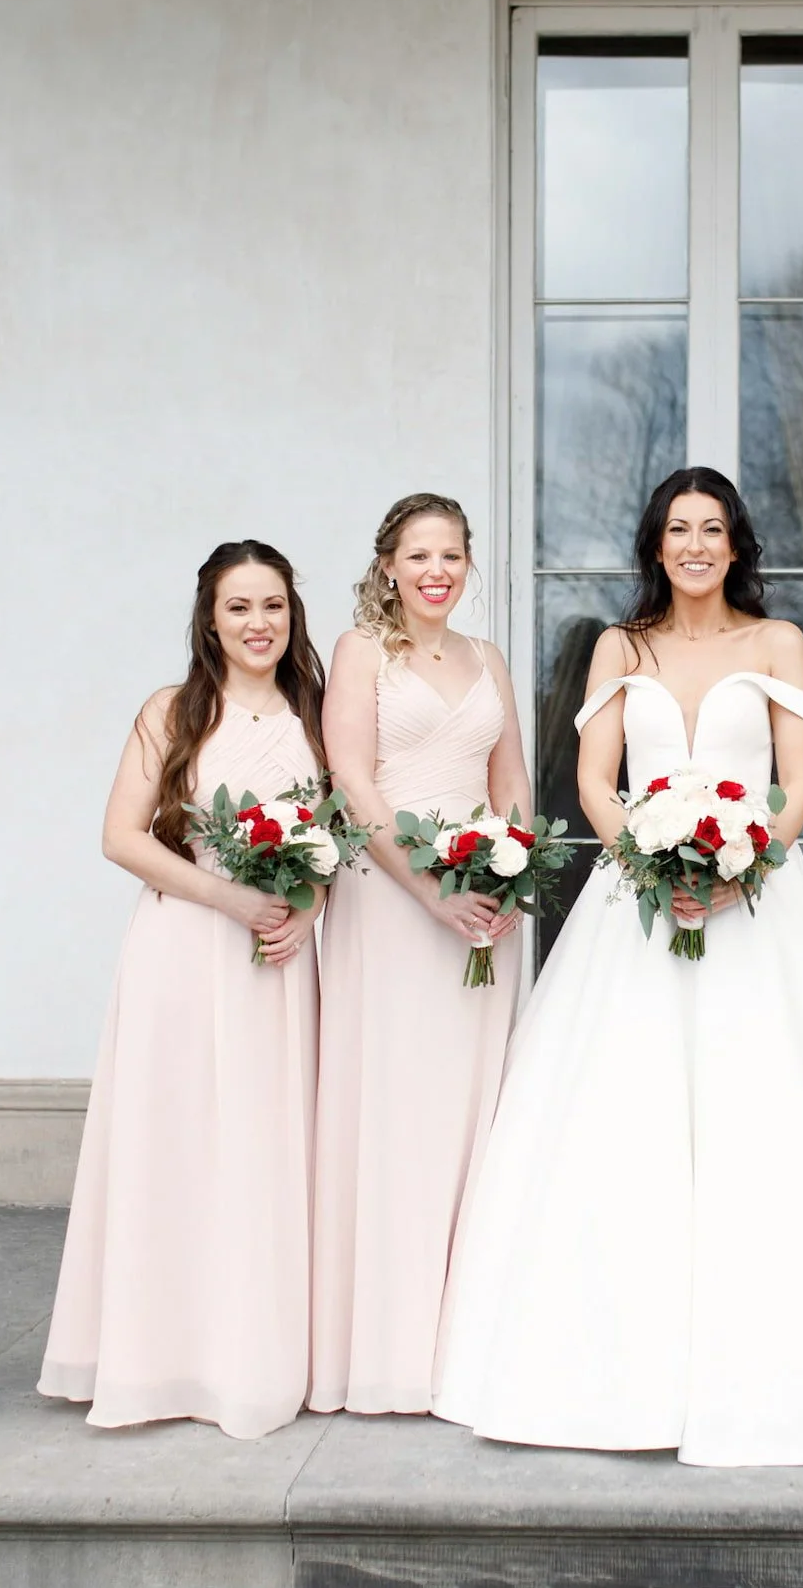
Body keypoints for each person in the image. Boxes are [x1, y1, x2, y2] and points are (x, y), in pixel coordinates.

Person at [433, 468, 803, 1466]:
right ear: (655, 542)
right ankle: (603, 1369)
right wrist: (647, 853)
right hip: (634, 907)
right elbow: (596, 779)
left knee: (766, 1111)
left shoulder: (775, 642)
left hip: (754, 903)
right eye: (679, 528)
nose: (696, 544)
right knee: (619, 1113)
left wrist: (749, 857)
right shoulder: (618, 644)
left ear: (737, 546)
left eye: (714, 529)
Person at [40, 540, 328, 1438]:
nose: (258, 623)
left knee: (262, 1148)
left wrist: (306, 907)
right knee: (175, 1145)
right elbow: (122, 836)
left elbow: (338, 835)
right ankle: (155, 1357)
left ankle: (250, 1354)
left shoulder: (316, 714)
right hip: (181, 951)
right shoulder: (172, 711)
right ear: (209, 617)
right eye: (240, 606)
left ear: (293, 613)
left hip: (275, 967)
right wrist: (233, 897)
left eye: (273, 605)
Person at [312, 494, 529, 1414]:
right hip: (393, 897)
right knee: (396, 1102)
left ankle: (468, 1336)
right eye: (418, 554)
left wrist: (509, 870)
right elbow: (353, 780)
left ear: (468, 564)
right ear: (389, 566)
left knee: (475, 1106)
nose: (435, 569)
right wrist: (429, 887)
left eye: (450, 553)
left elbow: (510, 775)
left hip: (481, 899)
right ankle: (386, 1346)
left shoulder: (489, 659)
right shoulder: (363, 651)